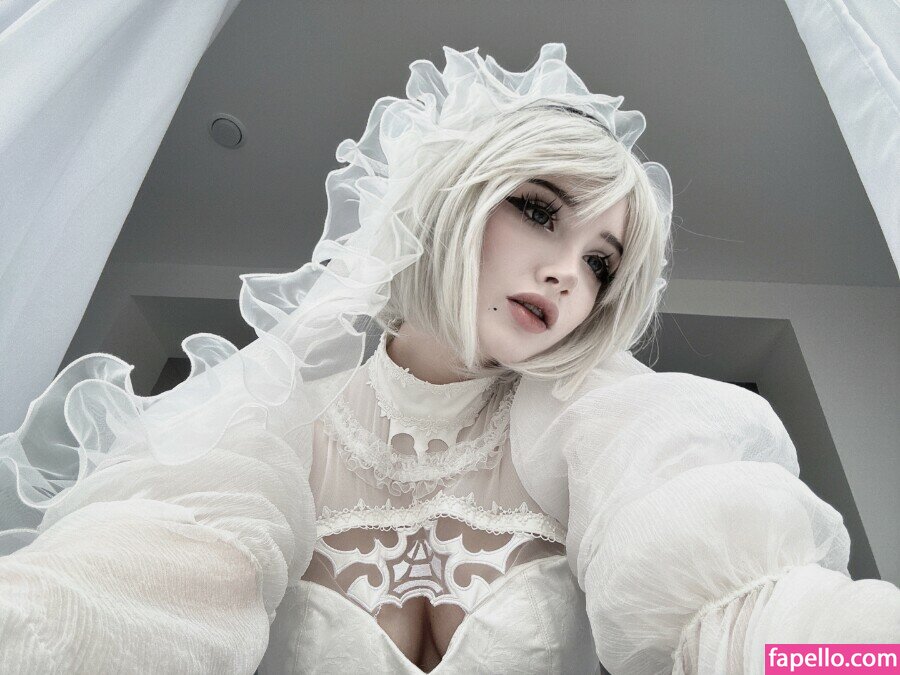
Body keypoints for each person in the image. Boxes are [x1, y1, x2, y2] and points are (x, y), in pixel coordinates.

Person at [0, 43, 897, 675]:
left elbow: (750, 617)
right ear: (455, 200)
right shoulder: (271, 419)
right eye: (540, 211)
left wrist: (861, 656)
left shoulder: (600, 418)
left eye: (600, 263)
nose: (569, 273)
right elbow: (108, 606)